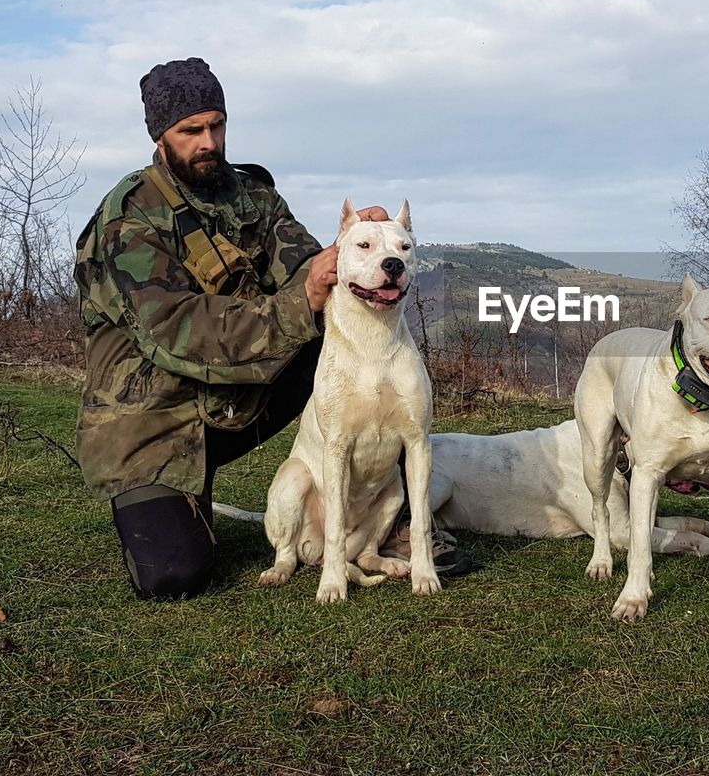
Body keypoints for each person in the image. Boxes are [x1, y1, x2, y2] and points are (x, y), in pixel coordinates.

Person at [74, 57, 472, 598]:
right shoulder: (129, 219)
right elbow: (175, 332)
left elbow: (310, 267)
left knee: (357, 346)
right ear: (160, 138)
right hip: (154, 421)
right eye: (191, 131)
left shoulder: (250, 194)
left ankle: (389, 520)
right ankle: (175, 494)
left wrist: (358, 249)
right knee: (172, 576)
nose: (208, 141)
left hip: (232, 397)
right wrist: (300, 301)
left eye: (217, 125)